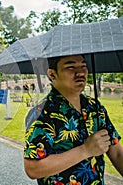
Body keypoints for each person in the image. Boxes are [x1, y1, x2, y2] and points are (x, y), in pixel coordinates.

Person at [24, 54, 123, 184]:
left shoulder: (95, 108)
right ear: (52, 75)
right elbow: (33, 169)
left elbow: (116, 154)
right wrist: (85, 150)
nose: (80, 72)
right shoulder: (41, 113)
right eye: (71, 67)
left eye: (83, 66)